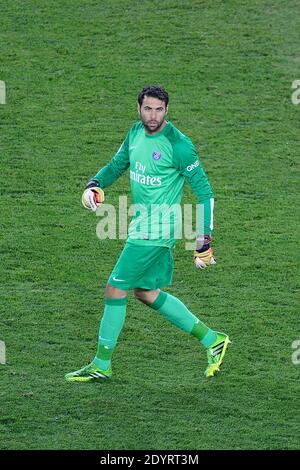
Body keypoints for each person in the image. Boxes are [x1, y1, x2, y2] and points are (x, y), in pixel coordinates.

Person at [65, 85, 230, 382]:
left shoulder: (179, 145)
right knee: (144, 292)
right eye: (147, 109)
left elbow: (205, 192)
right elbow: (118, 165)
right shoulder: (134, 133)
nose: (152, 116)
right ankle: (212, 339)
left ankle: (101, 365)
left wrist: (204, 237)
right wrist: (94, 183)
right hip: (140, 226)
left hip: (157, 231)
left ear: (167, 110)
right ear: (138, 108)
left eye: (159, 110)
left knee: (114, 288)